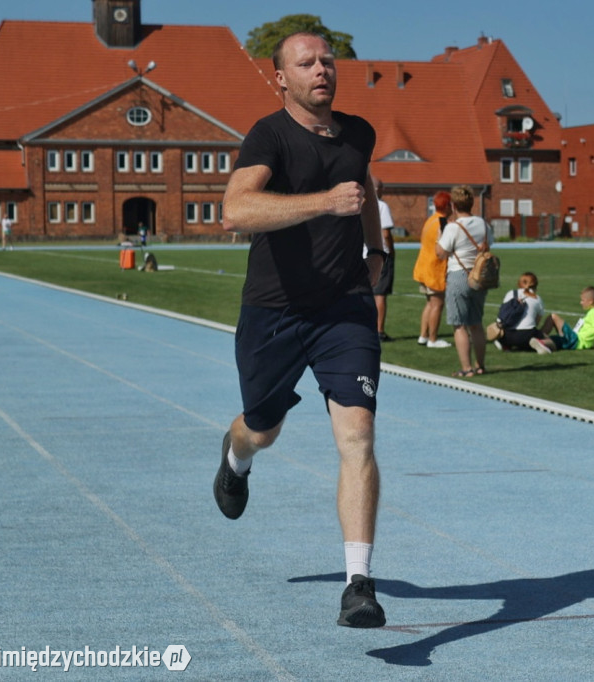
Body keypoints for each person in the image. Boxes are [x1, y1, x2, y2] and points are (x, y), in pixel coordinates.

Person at [215, 31, 387, 628]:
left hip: (344, 309)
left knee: (357, 437)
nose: (321, 70)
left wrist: (376, 249)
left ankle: (358, 584)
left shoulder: (358, 132)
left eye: (328, 61)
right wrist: (321, 203)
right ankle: (235, 459)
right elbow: (236, 209)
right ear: (280, 78)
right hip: (275, 312)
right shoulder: (270, 135)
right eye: (305, 63)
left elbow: (363, 186)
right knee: (262, 429)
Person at [436, 184, 492, 377]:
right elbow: (487, 245)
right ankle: (480, 365)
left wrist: (439, 237)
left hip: (458, 274)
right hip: (479, 275)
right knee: (476, 323)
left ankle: (466, 368)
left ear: (453, 205)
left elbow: (441, 253)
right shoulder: (483, 224)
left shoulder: (453, 227)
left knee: (459, 325)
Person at [413, 191, 451, 348]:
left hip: (424, 267)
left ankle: (423, 335)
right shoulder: (442, 222)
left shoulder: (431, 219)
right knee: (437, 304)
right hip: (434, 269)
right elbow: (443, 248)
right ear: (448, 205)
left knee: (429, 304)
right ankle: (433, 339)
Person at [537, 286, 594, 353]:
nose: (581, 302)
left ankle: (539, 339)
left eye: (583, 300)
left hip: (576, 341)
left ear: (590, 301)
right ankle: (540, 341)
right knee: (556, 338)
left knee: (553, 317)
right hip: (575, 339)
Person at [493, 272, 550, 354]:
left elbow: (502, 315)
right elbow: (536, 322)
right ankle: (538, 343)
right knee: (550, 340)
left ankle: (504, 343)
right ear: (535, 284)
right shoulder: (537, 298)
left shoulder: (511, 293)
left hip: (506, 335)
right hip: (526, 336)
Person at [372, 178, 395, 341]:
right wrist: (391, 250)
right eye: (381, 187)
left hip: (362, 254)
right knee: (380, 294)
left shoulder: (360, 204)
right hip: (380, 254)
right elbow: (386, 233)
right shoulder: (381, 206)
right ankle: (379, 330)